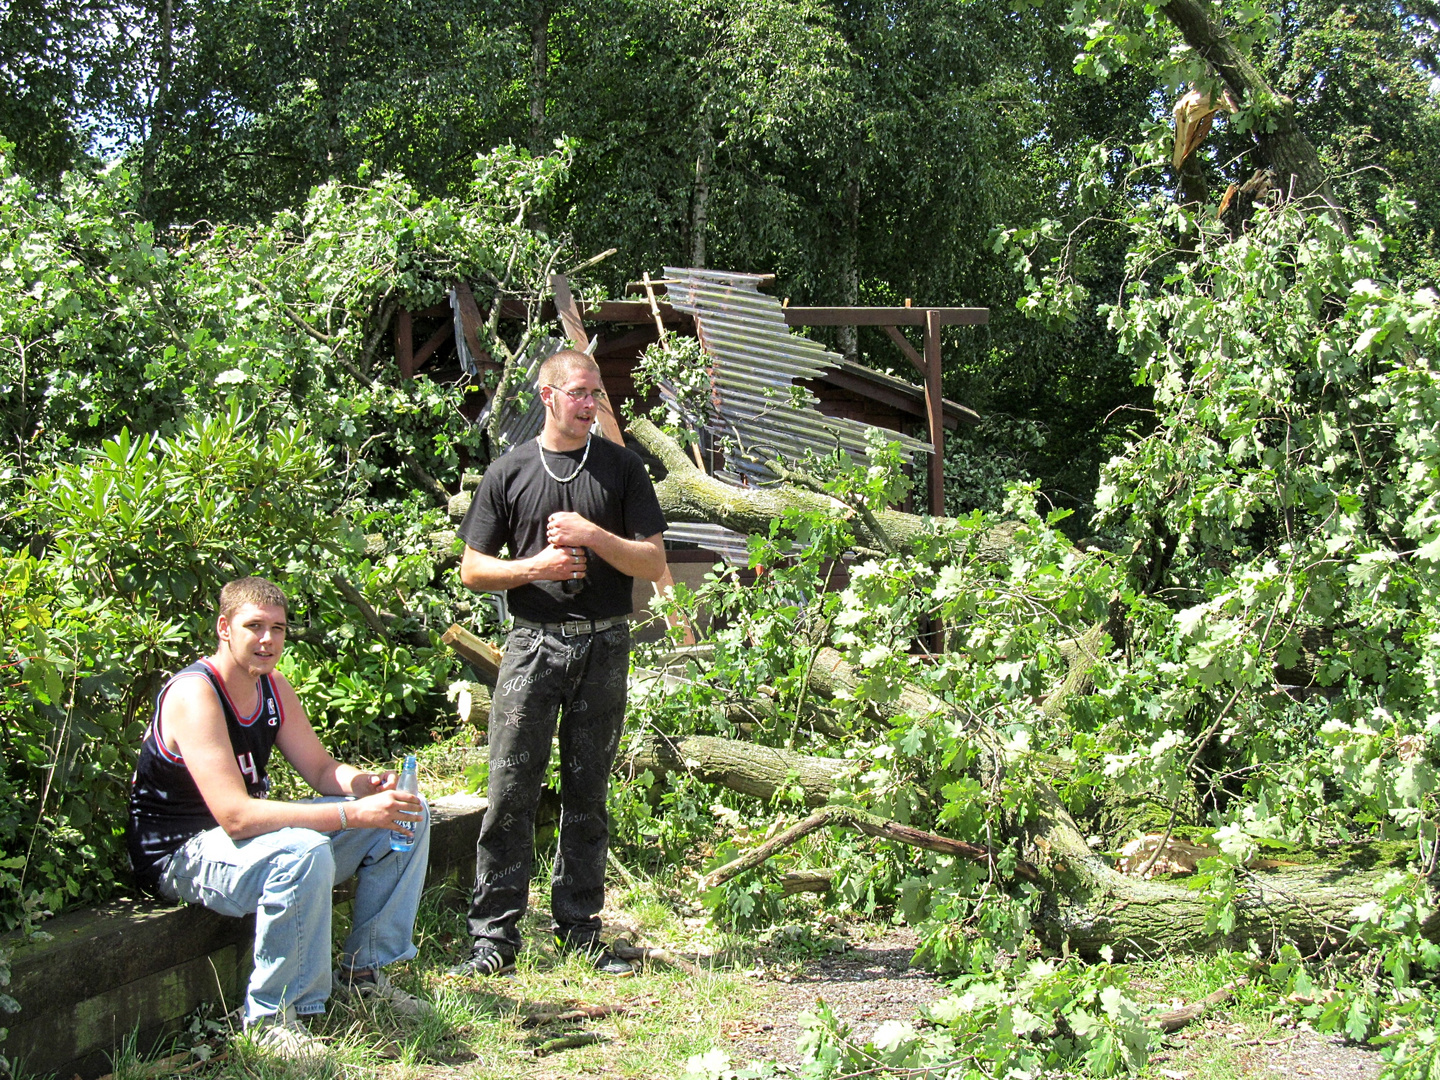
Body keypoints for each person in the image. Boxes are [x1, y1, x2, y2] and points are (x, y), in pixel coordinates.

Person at [126, 576, 431, 1061]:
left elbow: (320, 769)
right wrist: (350, 813)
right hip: (182, 852)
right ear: (224, 628)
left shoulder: (273, 686)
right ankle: (271, 1019)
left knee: (405, 816)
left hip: (249, 841)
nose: (268, 640)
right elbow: (235, 816)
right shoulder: (195, 693)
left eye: (279, 629)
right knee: (302, 851)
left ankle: (364, 975)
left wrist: (365, 785)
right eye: (254, 627)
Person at [450, 347, 667, 978]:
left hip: (604, 643)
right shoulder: (509, 471)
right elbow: (472, 569)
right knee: (509, 790)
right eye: (578, 392)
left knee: (588, 791)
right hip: (532, 644)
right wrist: (534, 569)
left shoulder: (623, 470)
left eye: (596, 393)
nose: (590, 403)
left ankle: (580, 931)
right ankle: (494, 939)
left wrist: (592, 536)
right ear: (547, 396)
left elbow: (653, 563)